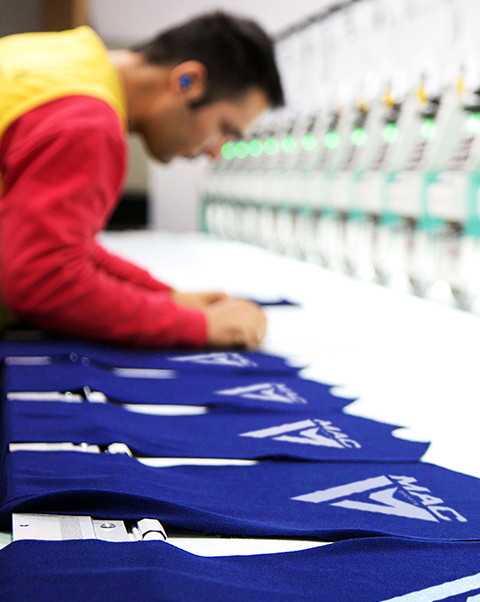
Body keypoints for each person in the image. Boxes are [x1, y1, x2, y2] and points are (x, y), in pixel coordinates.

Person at [0, 12, 284, 349]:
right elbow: (42, 279)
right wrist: (200, 326)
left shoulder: (65, 56)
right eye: (225, 129)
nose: (216, 153)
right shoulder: (89, 124)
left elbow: (55, 245)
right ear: (188, 81)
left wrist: (167, 297)